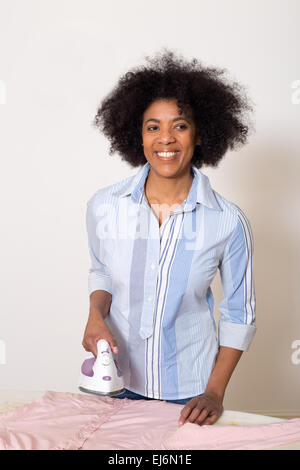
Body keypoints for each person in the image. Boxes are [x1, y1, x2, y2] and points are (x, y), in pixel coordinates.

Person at [82, 48, 256, 427]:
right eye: (153, 126)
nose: (166, 139)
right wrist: (95, 315)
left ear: (200, 135)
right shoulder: (104, 206)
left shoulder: (227, 221)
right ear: (137, 135)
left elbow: (239, 314)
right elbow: (102, 273)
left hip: (190, 391)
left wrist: (214, 392)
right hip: (114, 379)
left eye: (180, 125)